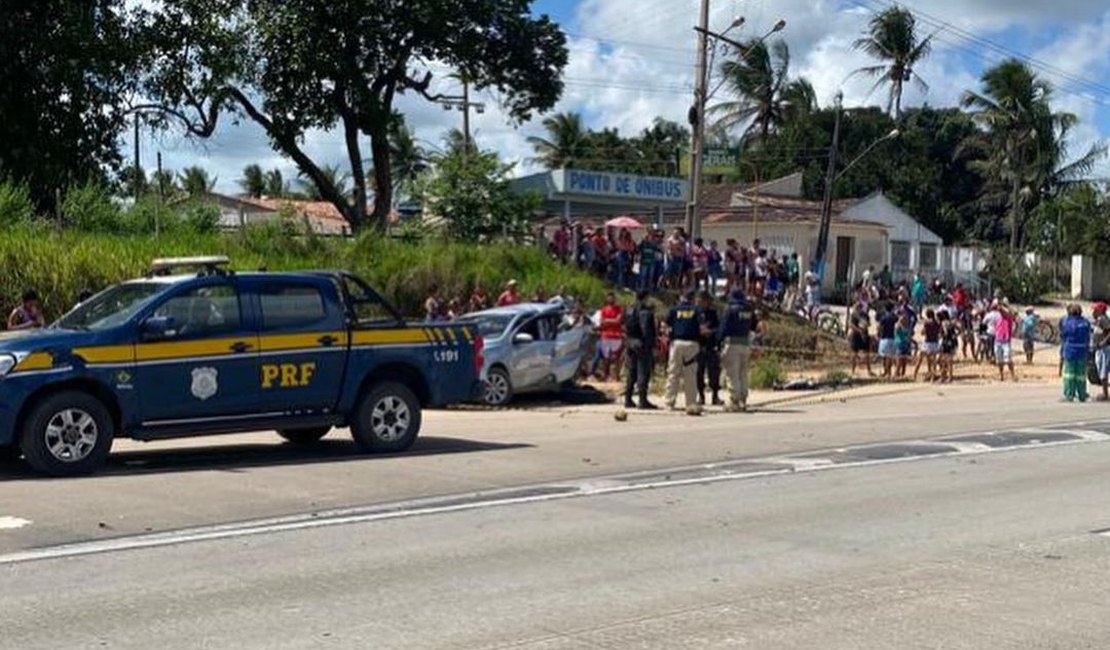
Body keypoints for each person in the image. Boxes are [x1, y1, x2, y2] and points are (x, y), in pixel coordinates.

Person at [718, 288, 759, 412]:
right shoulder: (749, 310)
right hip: (745, 344)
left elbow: (723, 327)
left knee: (732, 373)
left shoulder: (730, 309)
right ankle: (743, 398)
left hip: (732, 344)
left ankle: (734, 401)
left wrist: (717, 342)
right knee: (743, 373)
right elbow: (754, 326)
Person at [664, 290, 702, 415]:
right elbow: (702, 327)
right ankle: (690, 403)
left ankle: (669, 402)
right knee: (690, 375)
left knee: (673, 373)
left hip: (676, 343)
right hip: (692, 344)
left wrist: (669, 335)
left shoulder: (674, 309)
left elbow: (665, 325)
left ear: (682, 297)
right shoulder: (696, 310)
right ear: (693, 298)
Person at [623, 291, 658, 410]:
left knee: (631, 371)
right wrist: (651, 345)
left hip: (630, 341)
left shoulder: (629, 309)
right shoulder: (645, 311)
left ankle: (628, 398)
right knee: (643, 371)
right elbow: (646, 330)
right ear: (646, 297)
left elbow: (625, 326)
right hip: (641, 343)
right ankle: (642, 400)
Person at [1059, 303, 1091, 403]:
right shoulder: (1085, 322)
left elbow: (1062, 334)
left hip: (1070, 351)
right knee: (1081, 375)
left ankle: (1069, 394)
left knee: (1069, 374)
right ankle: (1082, 395)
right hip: (1083, 351)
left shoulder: (1066, 322)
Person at [695, 291, 722, 406]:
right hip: (699, 346)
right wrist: (699, 331)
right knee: (699, 373)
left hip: (711, 346)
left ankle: (715, 396)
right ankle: (701, 396)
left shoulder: (713, 313)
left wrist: (710, 332)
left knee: (714, 373)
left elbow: (719, 328)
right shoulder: (695, 313)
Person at [848, 302, 874, 377]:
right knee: (854, 354)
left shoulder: (864, 315)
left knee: (866, 354)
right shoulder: (854, 315)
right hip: (856, 335)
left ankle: (869, 371)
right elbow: (851, 325)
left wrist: (864, 326)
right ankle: (852, 371)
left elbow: (868, 324)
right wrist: (859, 330)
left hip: (863, 335)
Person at [993, 302, 1017, 382]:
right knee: (999, 360)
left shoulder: (1009, 316)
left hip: (1006, 341)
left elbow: (1011, 313)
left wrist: (1003, 306)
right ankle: (1001, 375)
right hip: (998, 340)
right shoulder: (997, 316)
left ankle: (1012, 375)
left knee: (1008, 359)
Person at [1093, 302, 1110, 402]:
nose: (1093, 311)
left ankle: (1105, 394)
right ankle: (1105, 393)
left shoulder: (1103, 319)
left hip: (1104, 348)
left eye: (1095, 310)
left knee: (1103, 371)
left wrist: (1103, 342)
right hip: (1099, 348)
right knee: (1101, 370)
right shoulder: (1099, 320)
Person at [876, 302, 898, 378]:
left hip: (884, 338)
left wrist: (878, 334)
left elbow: (879, 327)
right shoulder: (894, 317)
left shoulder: (883, 318)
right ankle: (889, 372)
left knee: (884, 356)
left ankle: (886, 371)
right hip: (892, 337)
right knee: (890, 357)